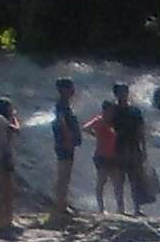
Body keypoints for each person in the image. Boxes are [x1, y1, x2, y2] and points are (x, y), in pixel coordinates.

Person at [113, 82, 156, 211]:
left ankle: (137, 208)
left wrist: (144, 148)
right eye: (120, 92)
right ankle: (120, 208)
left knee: (136, 179)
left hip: (133, 147)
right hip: (118, 147)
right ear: (115, 94)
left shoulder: (135, 111)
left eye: (125, 91)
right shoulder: (113, 111)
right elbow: (105, 127)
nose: (123, 94)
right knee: (119, 179)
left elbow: (140, 130)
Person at [47, 78, 81, 223]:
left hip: (67, 143)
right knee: (63, 174)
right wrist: (68, 136)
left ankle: (62, 202)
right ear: (65, 89)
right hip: (64, 143)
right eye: (71, 87)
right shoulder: (61, 105)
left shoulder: (64, 104)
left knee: (66, 174)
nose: (73, 90)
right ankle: (60, 204)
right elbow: (61, 121)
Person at [0, 97, 21, 235]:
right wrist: (14, 117)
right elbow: (16, 130)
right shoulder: (0, 119)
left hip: (0, 156)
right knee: (5, 190)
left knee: (6, 190)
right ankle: (5, 220)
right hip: (2, 157)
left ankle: (6, 219)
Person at [88, 91, 120, 211]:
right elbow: (85, 128)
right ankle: (101, 208)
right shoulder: (99, 120)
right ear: (105, 110)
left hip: (112, 155)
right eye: (110, 110)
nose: (112, 113)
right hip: (101, 154)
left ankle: (119, 208)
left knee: (117, 182)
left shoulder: (113, 122)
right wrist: (96, 135)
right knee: (102, 181)